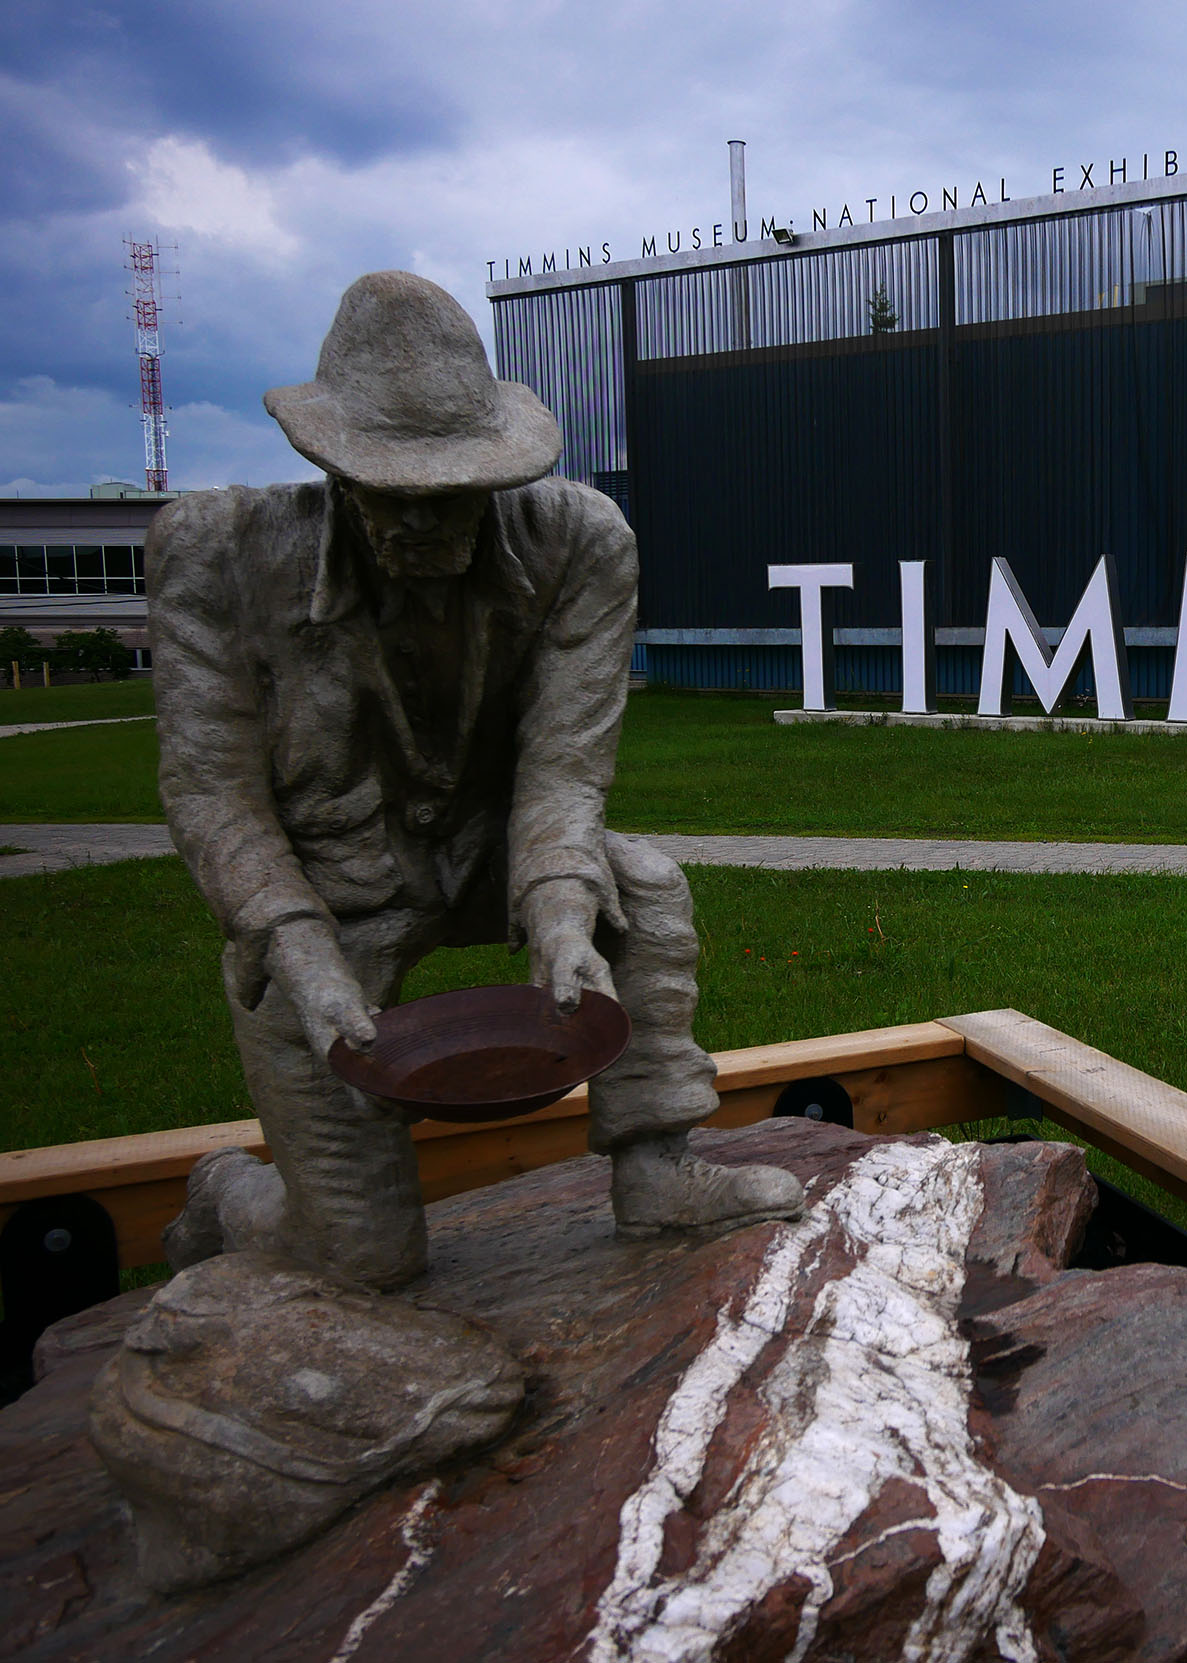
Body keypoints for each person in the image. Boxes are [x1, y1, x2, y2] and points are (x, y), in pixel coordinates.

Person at [152, 270, 802, 1290]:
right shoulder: (218, 555)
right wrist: (293, 946)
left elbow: (565, 764)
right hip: (324, 902)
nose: (423, 523)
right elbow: (208, 789)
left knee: (640, 890)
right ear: (332, 468)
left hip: (493, 855)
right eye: (390, 494)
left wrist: (555, 908)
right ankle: (225, 1195)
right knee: (363, 1259)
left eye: (453, 494)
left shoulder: (581, 543)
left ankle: (657, 1173)